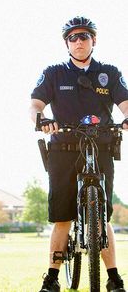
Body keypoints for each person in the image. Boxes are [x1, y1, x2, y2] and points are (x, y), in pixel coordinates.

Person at [30, 16, 128, 292]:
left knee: (102, 218)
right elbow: (35, 104)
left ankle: (113, 277)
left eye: (84, 36)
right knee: (62, 218)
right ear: (67, 43)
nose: (79, 41)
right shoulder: (54, 73)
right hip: (62, 149)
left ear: (93, 40)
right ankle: (52, 277)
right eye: (73, 38)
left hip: (101, 149)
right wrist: (42, 119)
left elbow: (125, 103)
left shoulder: (108, 72)